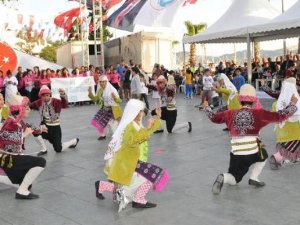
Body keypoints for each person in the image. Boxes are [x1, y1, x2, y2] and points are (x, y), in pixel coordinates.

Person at [205, 84, 298, 195]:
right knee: (263, 155)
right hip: (252, 151)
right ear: (254, 102)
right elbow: (280, 116)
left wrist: (207, 107)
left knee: (234, 178)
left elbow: (214, 118)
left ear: (240, 101)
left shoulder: (229, 113)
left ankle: (223, 177)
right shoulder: (259, 114)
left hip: (236, 153)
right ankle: (254, 177)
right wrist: (292, 103)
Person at [95, 99, 169, 212]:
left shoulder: (136, 123)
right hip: (127, 162)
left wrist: (157, 118)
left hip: (133, 160)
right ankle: (138, 199)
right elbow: (133, 141)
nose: (143, 113)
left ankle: (102, 185)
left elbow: (145, 135)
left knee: (128, 186)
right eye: (141, 111)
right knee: (151, 176)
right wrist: (148, 128)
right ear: (135, 112)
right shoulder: (129, 126)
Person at [0, 94, 46, 199]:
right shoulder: (11, 122)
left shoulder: (17, 121)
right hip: (9, 158)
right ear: (20, 109)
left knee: (26, 182)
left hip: (13, 156)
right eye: (26, 107)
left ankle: (22, 186)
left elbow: (28, 126)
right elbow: (4, 136)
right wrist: (24, 135)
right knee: (41, 162)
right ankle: (22, 191)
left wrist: (40, 128)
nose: (29, 109)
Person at [30, 85, 79, 156]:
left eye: (47, 95)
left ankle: (74, 141)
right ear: (41, 96)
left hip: (55, 127)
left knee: (58, 149)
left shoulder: (56, 101)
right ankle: (44, 149)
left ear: (50, 95)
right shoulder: (38, 102)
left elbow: (65, 105)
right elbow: (30, 105)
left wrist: (63, 95)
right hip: (45, 126)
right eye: (43, 96)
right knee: (35, 131)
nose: (45, 97)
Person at [268, 77, 300, 169]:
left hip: (282, 131)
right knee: (292, 146)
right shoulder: (298, 102)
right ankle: (277, 157)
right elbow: (291, 111)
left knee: (286, 146)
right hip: (296, 131)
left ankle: (282, 157)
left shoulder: (276, 103)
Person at [88, 75, 122, 141]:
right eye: (100, 82)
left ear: (106, 82)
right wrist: (90, 93)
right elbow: (96, 100)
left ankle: (117, 137)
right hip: (105, 109)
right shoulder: (100, 90)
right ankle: (103, 135)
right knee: (97, 120)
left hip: (113, 110)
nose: (102, 83)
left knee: (113, 124)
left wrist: (115, 97)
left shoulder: (112, 90)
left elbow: (119, 101)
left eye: (103, 82)